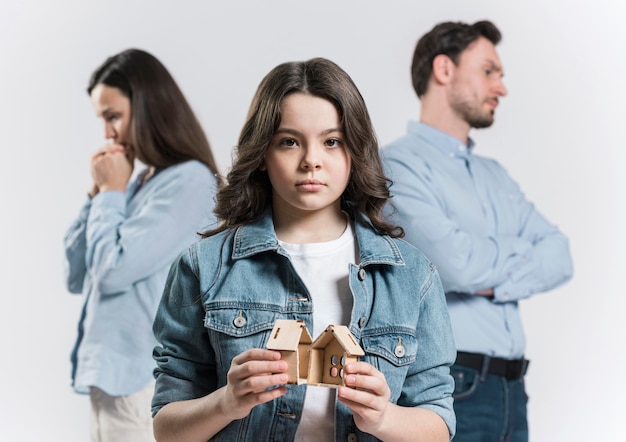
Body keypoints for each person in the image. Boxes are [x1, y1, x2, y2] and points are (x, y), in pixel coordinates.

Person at [151, 57, 456, 442]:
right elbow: (166, 428)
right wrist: (227, 402)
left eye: (332, 141)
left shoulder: (413, 275)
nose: (311, 160)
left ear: (354, 152)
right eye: (289, 142)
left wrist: (382, 417)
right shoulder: (204, 266)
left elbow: (439, 425)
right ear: (262, 153)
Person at [381, 20, 574, 442]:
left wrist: (480, 268)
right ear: (444, 70)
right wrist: (515, 256)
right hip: (451, 387)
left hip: (512, 390)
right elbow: (454, 266)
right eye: (489, 71)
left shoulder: (496, 176)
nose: (501, 88)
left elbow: (560, 256)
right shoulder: (396, 167)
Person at [63, 48, 221, 442]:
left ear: (149, 107)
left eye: (113, 116)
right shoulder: (138, 182)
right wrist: (100, 192)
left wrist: (111, 193)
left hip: (141, 385)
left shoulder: (189, 182)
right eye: (102, 119)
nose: (107, 133)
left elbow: (112, 272)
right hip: (110, 381)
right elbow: (75, 273)